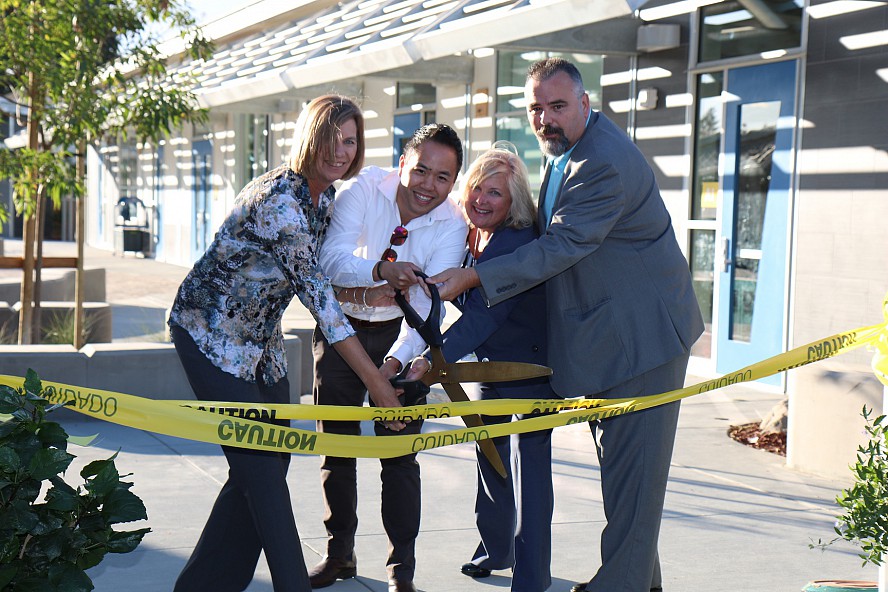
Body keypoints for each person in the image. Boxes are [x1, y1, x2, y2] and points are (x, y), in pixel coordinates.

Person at [429, 58, 704, 592]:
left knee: (634, 486)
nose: (545, 118)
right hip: (612, 347)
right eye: (536, 107)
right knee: (630, 490)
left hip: (643, 345)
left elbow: (562, 246)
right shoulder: (565, 154)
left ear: (585, 102)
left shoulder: (600, 163)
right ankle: (639, 583)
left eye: (557, 105)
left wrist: (473, 277)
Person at [167, 94, 405, 592]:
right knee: (264, 478)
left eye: (351, 141)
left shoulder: (323, 199)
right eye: (330, 138)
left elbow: (313, 277)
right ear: (308, 138)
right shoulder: (281, 203)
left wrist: (372, 287)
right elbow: (323, 307)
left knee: (265, 467)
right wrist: (378, 389)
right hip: (209, 336)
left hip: (261, 345)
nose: (341, 151)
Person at [309, 123, 468, 592]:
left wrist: (390, 370)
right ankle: (340, 556)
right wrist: (379, 274)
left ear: (453, 182)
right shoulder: (363, 189)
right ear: (403, 163)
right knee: (336, 448)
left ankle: (402, 572)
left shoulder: (453, 224)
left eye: (443, 177)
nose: (428, 186)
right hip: (341, 333)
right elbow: (330, 259)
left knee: (400, 455)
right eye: (421, 170)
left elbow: (423, 306)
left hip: (403, 343)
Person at [406, 143, 557, 592]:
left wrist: (433, 361)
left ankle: (533, 575)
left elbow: (483, 315)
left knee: (532, 471)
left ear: (513, 202)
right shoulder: (475, 236)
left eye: (495, 194)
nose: (482, 200)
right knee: (489, 457)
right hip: (488, 366)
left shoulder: (516, 242)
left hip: (530, 372)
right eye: (476, 190)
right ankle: (496, 548)